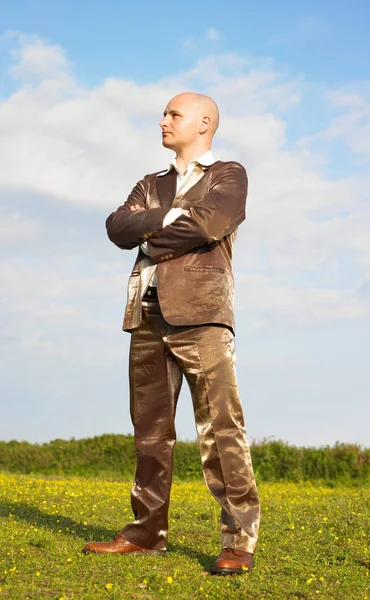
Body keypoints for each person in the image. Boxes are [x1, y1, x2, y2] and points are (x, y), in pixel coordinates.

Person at [82, 92, 260, 575]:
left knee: (221, 431)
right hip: (146, 314)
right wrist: (165, 217)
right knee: (150, 433)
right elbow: (117, 226)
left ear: (203, 122)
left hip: (202, 315)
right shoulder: (150, 183)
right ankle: (146, 533)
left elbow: (210, 223)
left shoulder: (228, 173)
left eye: (173, 114)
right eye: (164, 114)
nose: (163, 121)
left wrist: (153, 234)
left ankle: (238, 540)